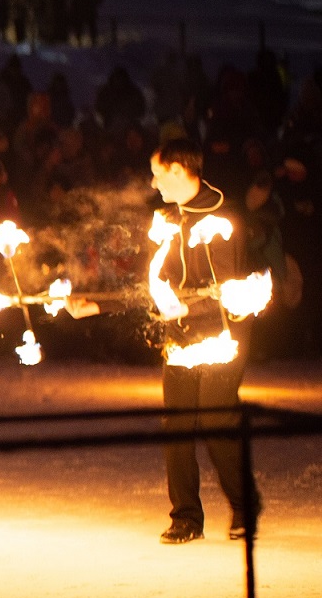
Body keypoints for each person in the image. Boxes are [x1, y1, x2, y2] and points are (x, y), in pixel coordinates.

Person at [70, 139, 259, 543]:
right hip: (182, 332)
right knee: (175, 424)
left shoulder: (223, 217)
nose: (154, 183)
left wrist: (188, 309)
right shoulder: (168, 220)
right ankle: (186, 517)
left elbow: (225, 290)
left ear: (178, 170)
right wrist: (99, 306)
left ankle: (245, 508)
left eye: (158, 174)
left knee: (216, 416)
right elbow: (153, 285)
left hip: (225, 333)